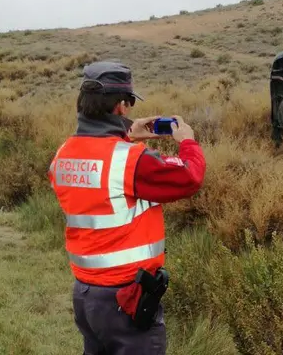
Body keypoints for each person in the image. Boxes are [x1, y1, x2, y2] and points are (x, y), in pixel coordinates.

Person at [47, 60, 206, 355]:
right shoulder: (130, 160)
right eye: (129, 103)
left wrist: (127, 133)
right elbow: (188, 176)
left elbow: (99, 167)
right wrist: (188, 142)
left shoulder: (63, 154)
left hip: (85, 295)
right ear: (121, 106)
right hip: (126, 298)